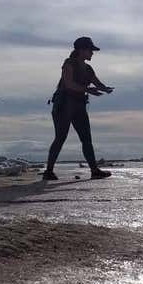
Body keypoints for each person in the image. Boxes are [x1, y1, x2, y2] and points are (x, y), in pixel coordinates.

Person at [43, 36, 114, 180]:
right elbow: (68, 84)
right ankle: (48, 171)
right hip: (64, 105)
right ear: (82, 50)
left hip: (79, 105)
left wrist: (106, 89)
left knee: (86, 139)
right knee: (60, 137)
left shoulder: (88, 68)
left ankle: (94, 170)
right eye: (90, 50)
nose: (92, 53)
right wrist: (88, 90)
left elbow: (97, 83)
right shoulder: (69, 63)